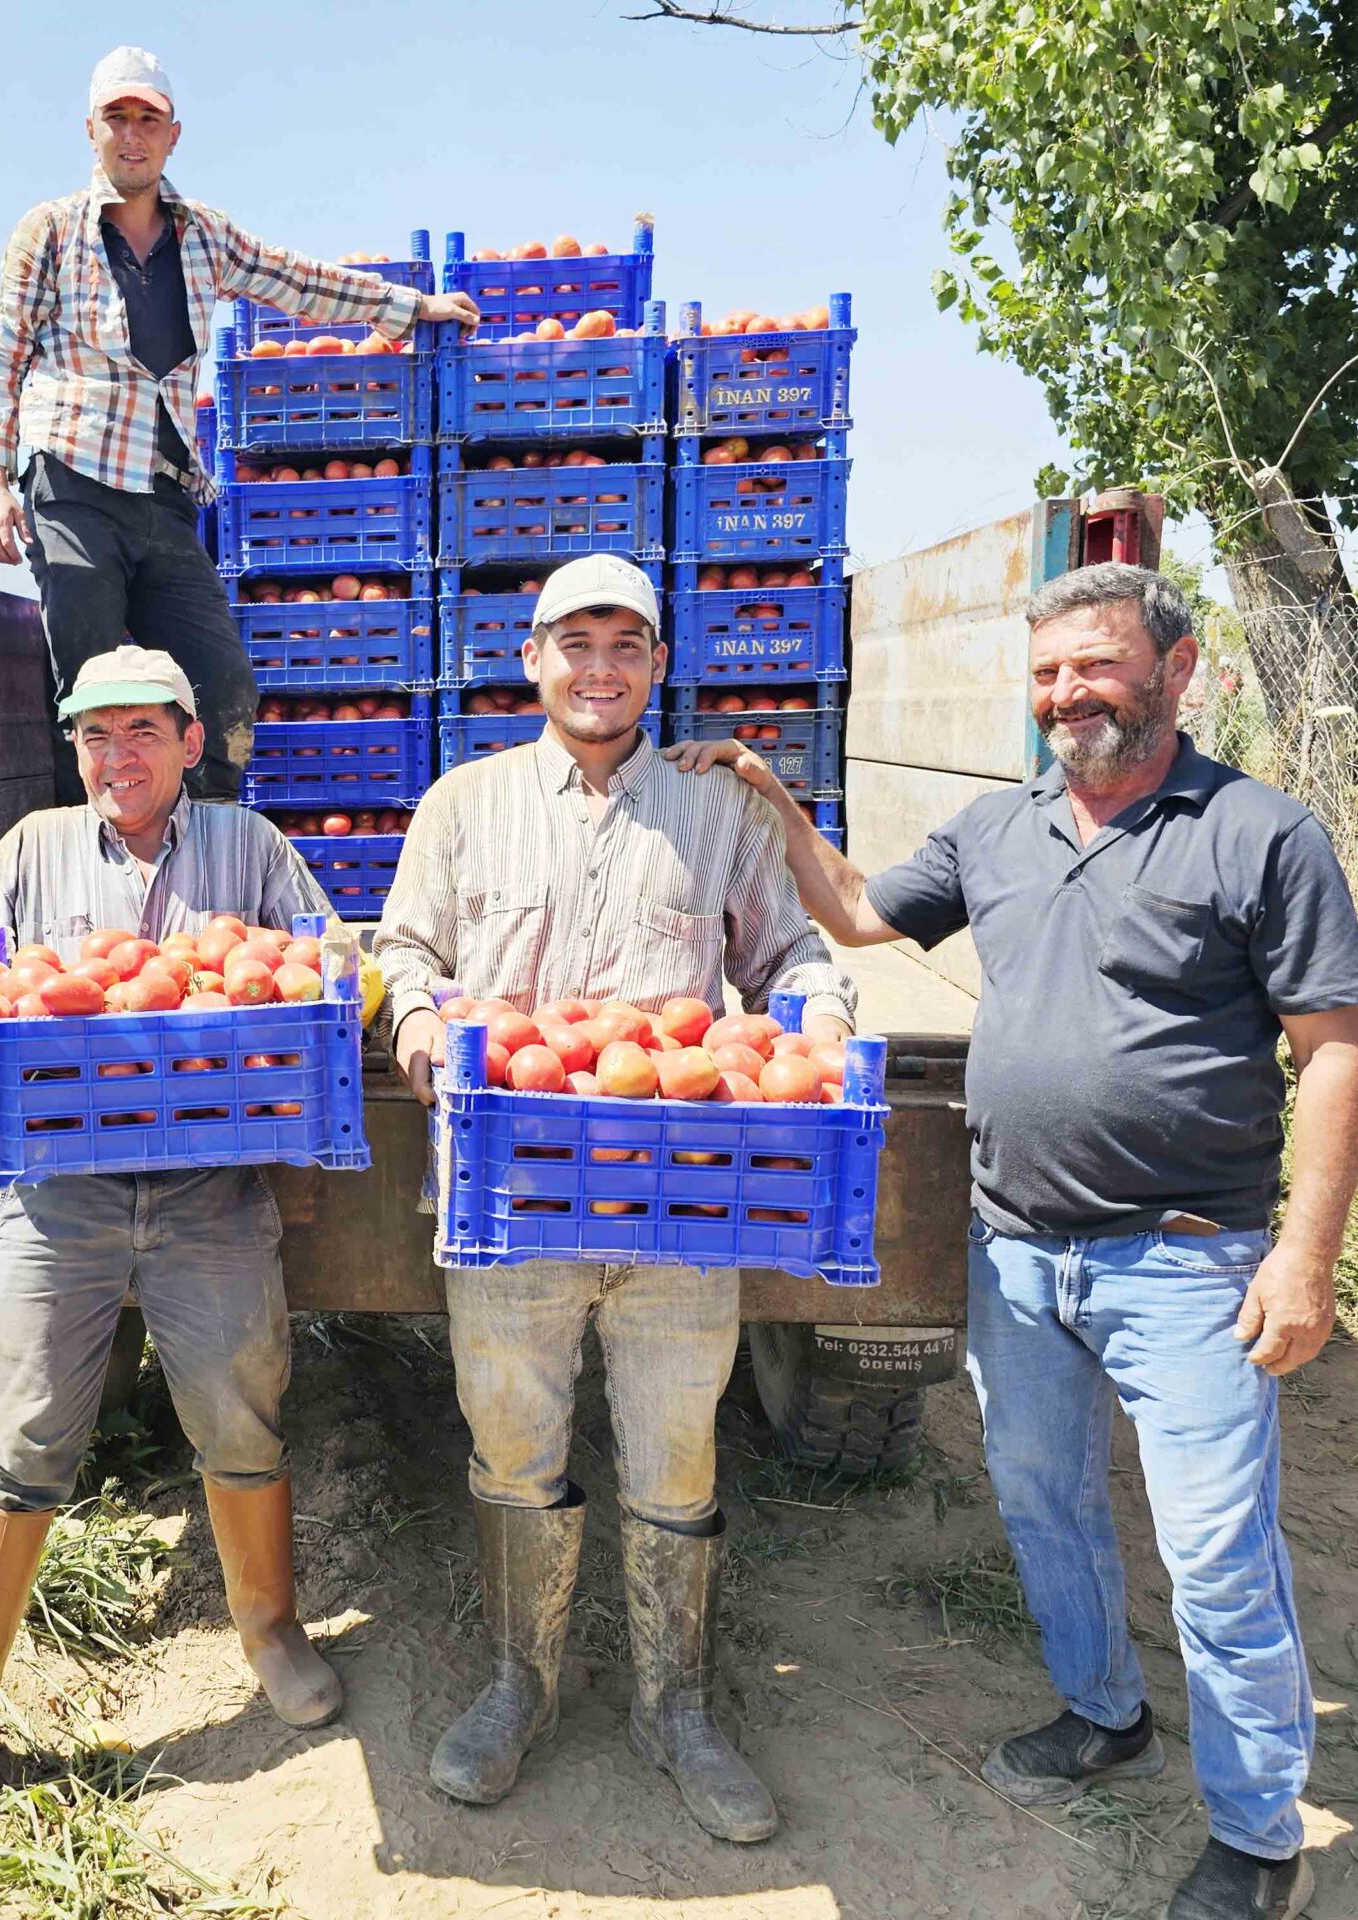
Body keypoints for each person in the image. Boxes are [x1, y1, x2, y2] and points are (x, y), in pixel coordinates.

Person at [683, 562, 1358, 1920]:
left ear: (1178, 672)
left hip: (1187, 1254)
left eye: (1099, 665)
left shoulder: (1259, 834)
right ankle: (1102, 1713)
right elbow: (856, 914)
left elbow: (1337, 1052)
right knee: (1041, 1502)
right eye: (1051, 672)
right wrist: (773, 797)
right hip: (1017, 1251)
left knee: (1216, 1553)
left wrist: (1305, 1256)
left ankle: (1256, 1840)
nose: (1069, 695)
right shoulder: (997, 829)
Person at [376, 553, 856, 1842]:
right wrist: (419, 1029)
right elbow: (405, 953)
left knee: (675, 1447)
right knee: (512, 1444)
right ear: (529, 660)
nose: (598, 668)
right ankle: (517, 1684)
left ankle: (675, 1706)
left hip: (680, 1200)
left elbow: (794, 952)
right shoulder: (462, 803)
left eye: (625, 645)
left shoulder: (716, 810)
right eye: (572, 643)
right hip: (512, 1194)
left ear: (656, 665)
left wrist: (814, 1032)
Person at [0, 645, 379, 1820]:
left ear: (190, 741)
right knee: (18, 1430)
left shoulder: (251, 849)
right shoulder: (33, 850)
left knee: (238, 1409)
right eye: (93, 737)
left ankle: (267, 1631)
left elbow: (332, 962)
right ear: (76, 752)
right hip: (63, 1192)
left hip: (213, 1189)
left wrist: (328, 994)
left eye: (140, 733)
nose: (116, 757)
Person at [0, 45, 480, 802]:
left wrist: (409, 308)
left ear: (174, 135)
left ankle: (195, 841)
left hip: (166, 499)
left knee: (222, 689)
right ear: (91, 131)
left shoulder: (204, 236)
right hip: (71, 483)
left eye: (149, 119)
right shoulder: (49, 232)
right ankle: (94, 855)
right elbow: (0, 351)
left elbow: (299, 281)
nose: (132, 135)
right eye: (117, 119)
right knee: (92, 690)